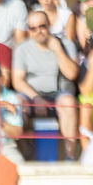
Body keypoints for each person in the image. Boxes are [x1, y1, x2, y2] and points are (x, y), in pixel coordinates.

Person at [12, 10, 78, 159]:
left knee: (69, 103)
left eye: (42, 26)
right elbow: (17, 81)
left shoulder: (66, 44)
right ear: (28, 30)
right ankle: (21, 153)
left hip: (59, 94)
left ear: (49, 25)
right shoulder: (21, 49)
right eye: (33, 28)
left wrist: (57, 49)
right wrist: (36, 97)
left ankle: (69, 157)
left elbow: (72, 74)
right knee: (17, 103)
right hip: (32, 95)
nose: (38, 31)